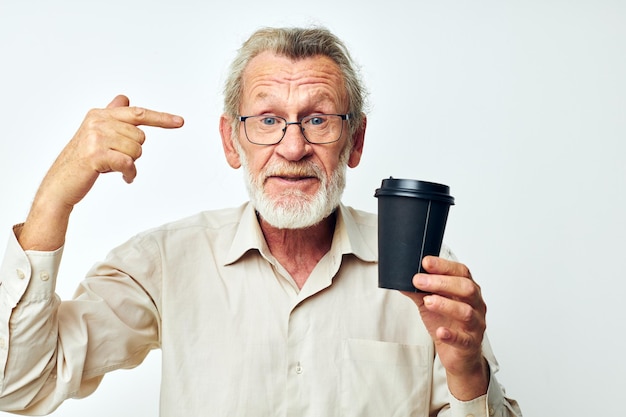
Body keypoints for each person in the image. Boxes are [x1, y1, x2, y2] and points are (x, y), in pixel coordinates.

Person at [0, 26, 522, 416]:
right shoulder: (165, 262)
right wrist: (54, 201)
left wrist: (466, 369)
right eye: (269, 120)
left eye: (317, 119)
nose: (293, 147)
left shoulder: (424, 270)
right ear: (232, 141)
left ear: (355, 141)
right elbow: (21, 384)